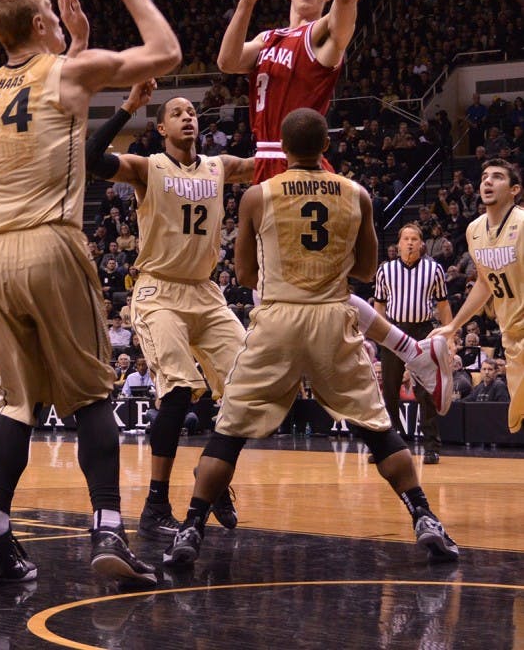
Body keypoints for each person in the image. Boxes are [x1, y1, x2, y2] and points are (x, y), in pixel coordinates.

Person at [0, 0, 180, 586]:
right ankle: (108, 532)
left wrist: (77, 39)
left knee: (15, 401)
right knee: (91, 396)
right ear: (36, 22)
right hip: (45, 244)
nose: (62, 22)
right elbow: (165, 51)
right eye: (53, 16)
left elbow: (59, 116)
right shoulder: (66, 71)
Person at [163, 109, 458, 568]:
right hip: (331, 319)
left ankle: (191, 529)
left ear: (282, 147)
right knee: (377, 431)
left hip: (278, 318)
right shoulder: (357, 193)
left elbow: (243, 273)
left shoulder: (258, 195)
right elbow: (364, 271)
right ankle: (424, 517)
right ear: (327, 148)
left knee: (229, 433)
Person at [215, 0, 451, 408]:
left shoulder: (322, 38)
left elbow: (348, 1)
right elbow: (228, 61)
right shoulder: (270, 35)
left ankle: (387, 358)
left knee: (302, 292)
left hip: (298, 166)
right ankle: (410, 351)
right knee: (292, 291)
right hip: (267, 166)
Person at [86, 85, 253, 542]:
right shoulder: (148, 167)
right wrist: (127, 109)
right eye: (177, 113)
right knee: (179, 392)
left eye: (192, 112)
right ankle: (156, 504)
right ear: (160, 128)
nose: (187, 117)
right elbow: (90, 158)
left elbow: (276, 164)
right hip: (159, 290)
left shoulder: (220, 167)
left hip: (206, 292)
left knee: (250, 390)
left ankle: (212, 476)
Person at [431, 159, 524, 435]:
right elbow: (484, 284)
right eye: (484, 176)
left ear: (514, 189)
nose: (487, 181)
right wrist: (453, 325)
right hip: (511, 333)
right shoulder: (474, 230)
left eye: (497, 177)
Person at [374, 223, 453, 465]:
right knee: (389, 390)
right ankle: (390, 446)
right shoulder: (385, 271)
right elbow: (379, 307)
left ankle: (431, 446)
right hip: (394, 330)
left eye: (415, 239)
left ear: (421, 244)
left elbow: (443, 306)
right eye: (405, 238)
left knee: (425, 391)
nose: (410, 243)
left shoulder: (434, 269)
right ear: (398, 245)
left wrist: (449, 338)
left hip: (422, 331)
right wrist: (379, 336)